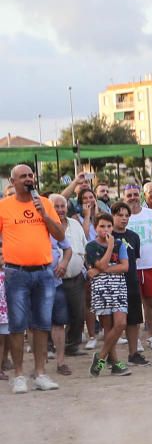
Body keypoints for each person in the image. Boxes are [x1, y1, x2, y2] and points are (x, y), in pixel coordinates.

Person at [0, 164, 65, 394]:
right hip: (16, 273)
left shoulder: (45, 203)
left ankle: (40, 373)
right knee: (17, 325)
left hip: (44, 272)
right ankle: (18, 375)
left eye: (30, 175)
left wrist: (44, 215)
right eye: (23, 176)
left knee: (41, 324)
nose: (29, 179)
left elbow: (59, 234)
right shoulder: (4, 206)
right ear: (13, 181)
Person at [84, 213, 132, 377]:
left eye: (109, 226)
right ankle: (115, 363)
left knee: (120, 323)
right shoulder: (91, 246)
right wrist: (110, 248)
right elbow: (103, 263)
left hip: (118, 287)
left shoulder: (121, 244)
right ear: (95, 228)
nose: (106, 230)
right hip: (101, 289)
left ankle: (101, 356)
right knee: (108, 327)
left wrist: (99, 270)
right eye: (102, 226)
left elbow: (125, 267)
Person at [50, 193, 87, 359]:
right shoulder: (46, 226)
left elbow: (84, 247)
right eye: (56, 206)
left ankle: (72, 345)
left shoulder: (75, 225)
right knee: (53, 315)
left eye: (62, 206)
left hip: (75, 278)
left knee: (78, 314)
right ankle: (50, 347)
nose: (60, 210)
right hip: (52, 280)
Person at [110, 202, 146, 366]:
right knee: (113, 322)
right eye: (120, 215)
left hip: (131, 281)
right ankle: (111, 356)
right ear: (113, 216)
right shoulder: (108, 236)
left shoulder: (133, 237)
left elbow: (134, 259)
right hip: (112, 282)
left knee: (134, 319)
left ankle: (133, 353)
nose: (123, 219)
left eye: (126, 216)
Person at [126, 184, 152, 350]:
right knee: (132, 304)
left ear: (140, 195)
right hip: (130, 267)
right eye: (129, 195)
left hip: (150, 264)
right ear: (124, 197)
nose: (132, 197)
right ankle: (136, 338)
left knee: (150, 302)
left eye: (135, 194)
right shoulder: (122, 216)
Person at [46, 200, 72, 376]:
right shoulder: (33, 226)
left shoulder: (55, 229)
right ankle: (39, 366)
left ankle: (61, 362)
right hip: (35, 282)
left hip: (55, 282)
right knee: (35, 326)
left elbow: (68, 249)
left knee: (59, 323)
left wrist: (63, 262)